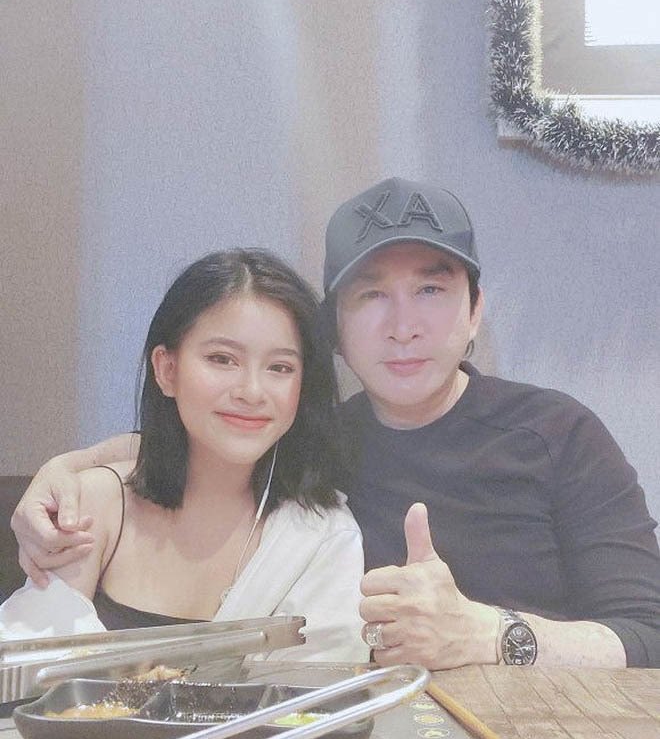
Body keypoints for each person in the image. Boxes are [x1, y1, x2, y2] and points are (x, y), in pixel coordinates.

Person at [10, 179, 660, 668]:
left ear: (474, 311)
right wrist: (63, 474)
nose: (403, 326)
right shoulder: (311, 442)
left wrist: (489, 635)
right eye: (371, 294)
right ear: (335, 331)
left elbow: (647, 636)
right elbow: (205, 436)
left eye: (431, 290)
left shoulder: (558, 434)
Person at [1, 249, 368, 663]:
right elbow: (26, 671)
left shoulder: (321, 535)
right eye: (222, 359)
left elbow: (322, 688)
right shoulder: (95, 505)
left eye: (280, 367)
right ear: (167, 370)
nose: (251, 391)